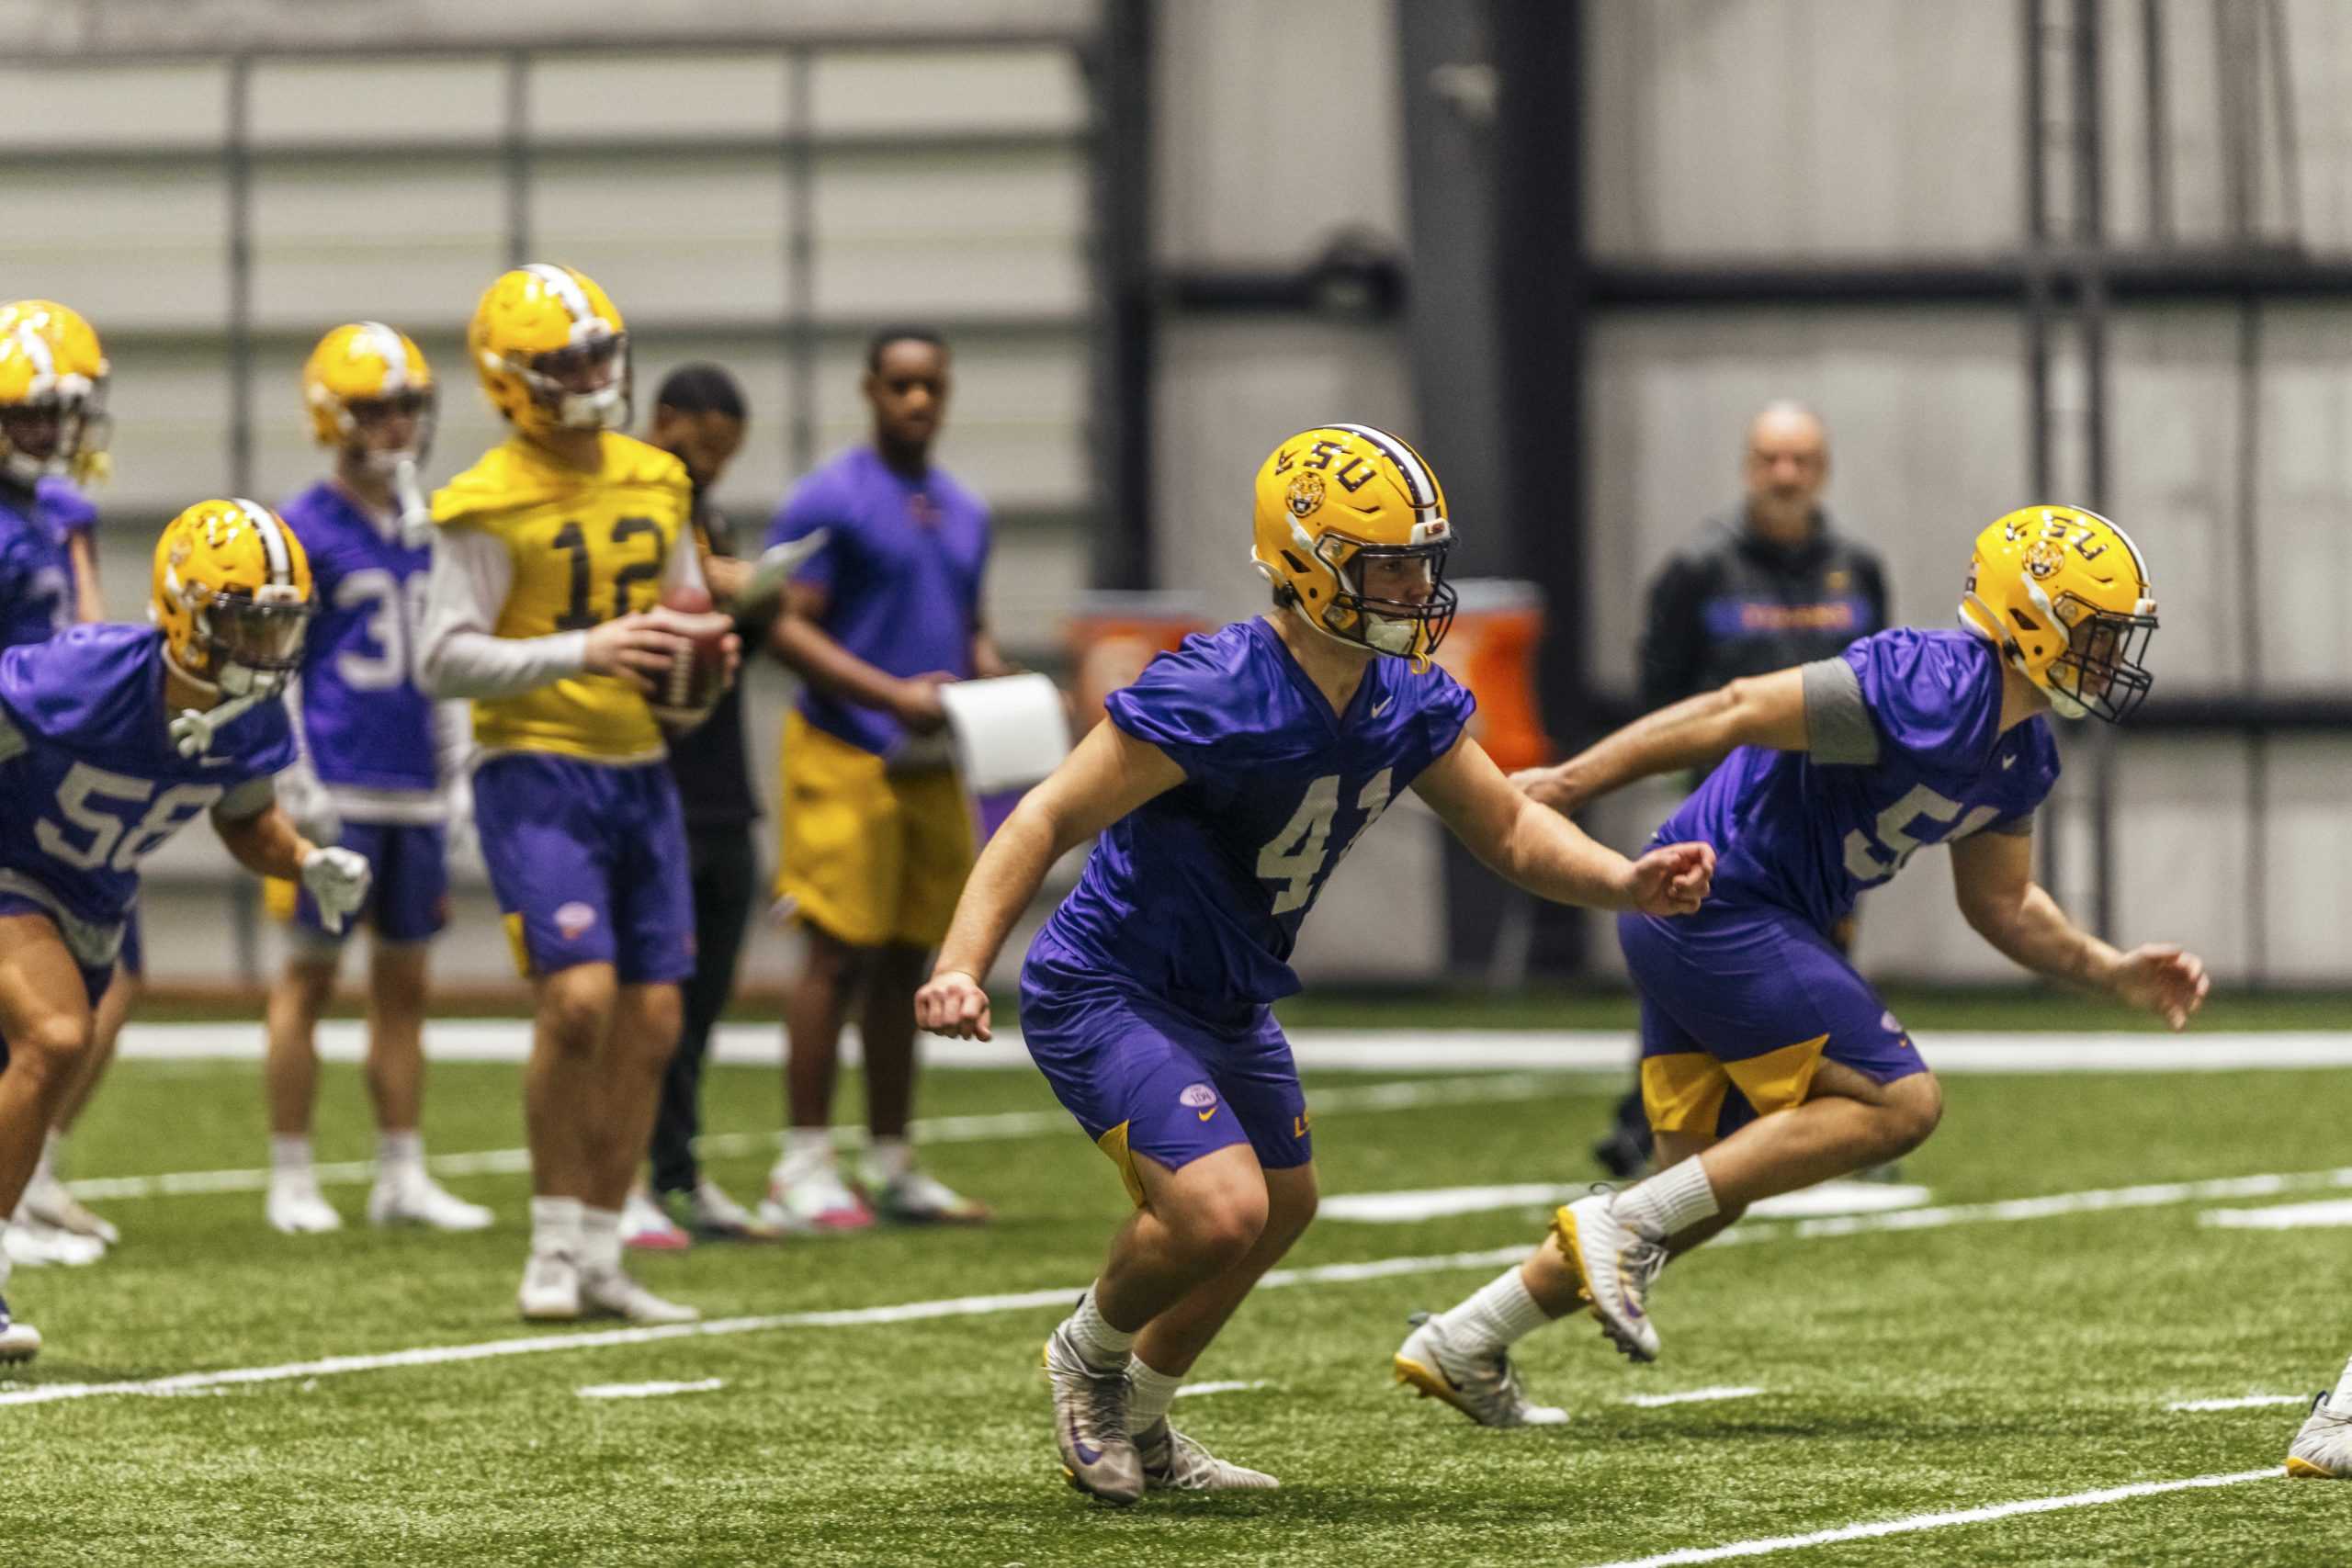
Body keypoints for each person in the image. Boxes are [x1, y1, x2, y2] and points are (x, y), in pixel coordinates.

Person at [913, 423, 1715, 1502]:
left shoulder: (1405, 697)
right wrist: (964, 961)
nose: (1416, 587)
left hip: (1229, 995)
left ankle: (1145, 1419)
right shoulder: (1216, 689)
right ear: (1307, 562)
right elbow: (1043, 815)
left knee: (1283, 1207)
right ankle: (1088, 1363)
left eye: (1422, 562)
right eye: (1388, 563)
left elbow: (1515, 835)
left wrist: (1623, 880)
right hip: (1113, 986)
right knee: (1220, 1211)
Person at [1396, 504, 2210, 1428]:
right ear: (2032, 618)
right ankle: (1612, 1224)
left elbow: (2003, 905)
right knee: (1898, 1101)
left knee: (1700, 1190)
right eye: (2097, 635)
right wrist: (1570, 785)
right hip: (1717, 898)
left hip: (1736, 917)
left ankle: (1464, 1338)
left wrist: (2110, 972)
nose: (2112, 659)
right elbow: (1733, 710)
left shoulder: (2019, 753)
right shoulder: (1927, 683)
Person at [417, 263, 748, 1325]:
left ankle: (606, 1250)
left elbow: (686, 607)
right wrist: (586, 649)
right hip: (533, 767)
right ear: (510, 379)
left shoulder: (657, 477)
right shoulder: (481, 499)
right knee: (578, 1001)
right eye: (562, 362)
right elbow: (442, 657)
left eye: (597, 353)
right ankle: (552, 1243)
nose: (589, 375)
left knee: (654, 1019)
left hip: (641, 767)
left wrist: (702, 664)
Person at [0, 498, 372, 1361]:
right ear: (186, 609)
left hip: (90, 900)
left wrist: (304, 859)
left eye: (280, 625)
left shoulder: (251, 714)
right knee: (56, 1039)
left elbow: (246, 822)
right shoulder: (86, 674)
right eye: (246, 621)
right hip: (16, 870)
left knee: (43, 1057)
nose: (266, 646)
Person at [1594, 400, 1891, 1178]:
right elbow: (1664, 691)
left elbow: (1878, 689)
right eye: (1769, 459)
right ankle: (1645, 1125)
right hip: (1726, 812)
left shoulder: (1856, 567)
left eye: (1799, 459)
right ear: (1748, 467)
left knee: (1825, 961)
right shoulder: (1699, 566)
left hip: (1827, 812)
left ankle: (1845, 1122)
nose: (1784, 474)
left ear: (1820, 469)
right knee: (1692, 958)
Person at [763, 327, 1009, 1231]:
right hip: (845, 748)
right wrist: (885, 694)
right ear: (871, 390)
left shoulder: (964, 509)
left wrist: (1004, 685)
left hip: (929, 759)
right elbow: (784, 627)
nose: (916, 402)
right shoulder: (829, 498)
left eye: (930, 387)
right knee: (834, 954)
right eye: (900, 385)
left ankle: (893, 1160)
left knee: (913, 957)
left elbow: (964, 631)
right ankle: (800, 1163)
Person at [258, 322, 491, 1236]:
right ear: (334, 416)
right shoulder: (304, 526)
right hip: (337, 787)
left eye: (407, 406)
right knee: (307, 980)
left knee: (405, 988)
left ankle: (401, 1169)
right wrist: (291, 777)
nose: (397, 424)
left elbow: (444, 657)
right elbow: (272, 667)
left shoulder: (427, 525)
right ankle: (290, 1172)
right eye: (376, 408)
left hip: (415, 789)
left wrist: (460, 767)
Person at [621, 363, 775, 1248]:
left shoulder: (705, 513)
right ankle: (624, 1182)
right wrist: (710, 583)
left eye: (723, 456)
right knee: (651, 1002)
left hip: (720, 786)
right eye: (697, 447)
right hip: (651, 786)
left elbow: (717, 667)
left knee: (704, 1000)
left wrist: (753, 607)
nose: (707, 467)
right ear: (663, 419)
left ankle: (677, 1170)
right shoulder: (633, 510)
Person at [0, 301, 130, 1263]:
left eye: (59, 414)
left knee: (90, 994)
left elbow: (83, 630)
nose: (52, 435)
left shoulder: (52, 514)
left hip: (47, 774)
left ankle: (29, 1177)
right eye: (34, 414)